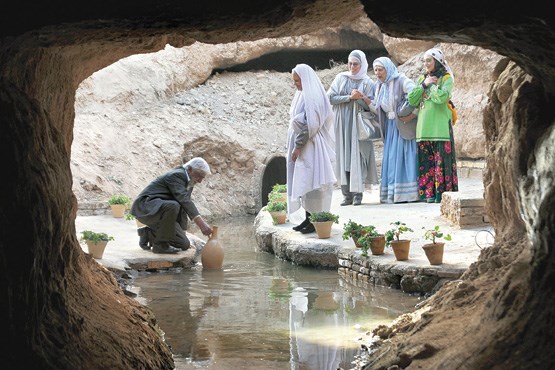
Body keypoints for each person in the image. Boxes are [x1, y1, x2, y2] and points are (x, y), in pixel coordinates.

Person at [287, 63, 337, 234]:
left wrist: (298, 146)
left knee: (313, 183)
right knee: (306, 182)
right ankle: (308, 219)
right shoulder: (303, 94)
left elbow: (311, 124)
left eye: (298, 81)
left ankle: (315, 220)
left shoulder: (313, 95)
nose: (296, 84)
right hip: (307, 146)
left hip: (312, 146)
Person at [131, 157, 213, 254]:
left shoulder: (189, 181)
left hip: (160, 212)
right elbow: (184, 201)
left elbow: (184, 207)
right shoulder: (177, 175)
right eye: (199, 176)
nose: (200, 181)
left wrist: (182, 232)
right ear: (190, 169)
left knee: (184, 244)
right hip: (145, 208)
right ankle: (159, 245)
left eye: (202, 178)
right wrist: (201, 224)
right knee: (172, 205)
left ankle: (149, 234)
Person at [408, 48, 459, 203]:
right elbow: (412, 100)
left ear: (437, 61)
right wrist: (424, 85)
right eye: (424, 61)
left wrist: (431, 86)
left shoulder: (447, 78)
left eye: (429, 60)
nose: (426, 64)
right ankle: (429, 194)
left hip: (440, 128)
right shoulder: (423, 79)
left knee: (442, 161)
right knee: (426, 162)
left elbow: (442, 98)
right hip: (423, 129)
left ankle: (442, 195)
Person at [327, 50, 378, 206]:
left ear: (361, 65)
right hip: (342, 124)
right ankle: (346, 195)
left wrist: (361, 98)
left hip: (359, 126)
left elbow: (373, 106)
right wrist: (349, 97)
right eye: (350, 63)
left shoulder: (368, 82)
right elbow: (330, 98)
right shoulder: (340, 78)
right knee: (343, 157)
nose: (352, 67)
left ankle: (358, 194)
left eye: (355, 64)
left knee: (358, 156)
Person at [371, 56, 419, 203]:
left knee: (405, 157)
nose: (378, 73)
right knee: (392, 158)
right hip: (391, 128)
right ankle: (393, 193)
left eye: (381, 69)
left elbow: (417, 95)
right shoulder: (379, 86)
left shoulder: (401, 80)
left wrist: (412, 114)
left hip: (403, 127)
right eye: (375, 70)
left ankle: (408, 194)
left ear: (388, 68)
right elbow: (379, 107)